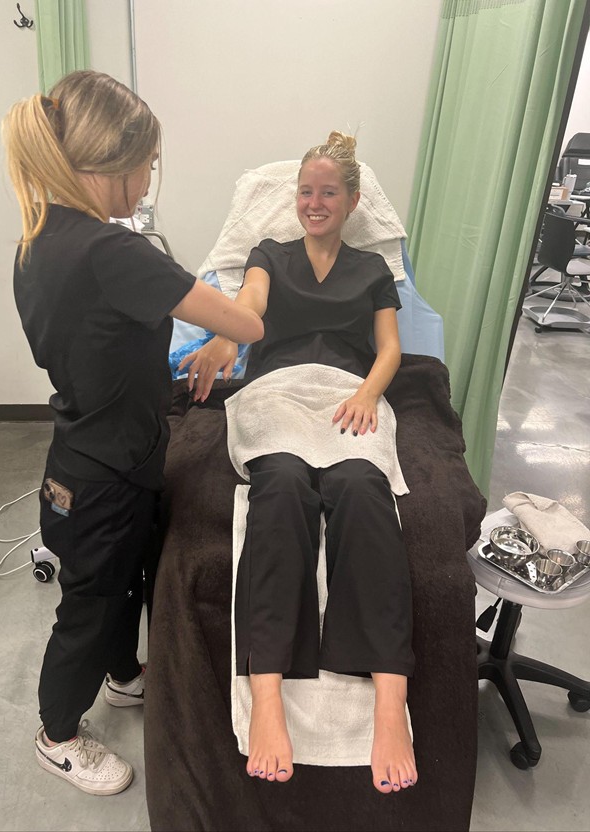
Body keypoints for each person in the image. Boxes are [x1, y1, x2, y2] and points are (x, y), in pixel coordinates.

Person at [2, 70, 263, 796]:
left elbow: (103, 336)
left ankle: (122, 678)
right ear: (116, 164)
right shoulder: (115, 253)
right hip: (106, 473)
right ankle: (57, 736)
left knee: (121, 584)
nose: (150, 176)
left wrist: (203, 347)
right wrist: (260, 269)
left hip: (89, 450)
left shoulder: (38, 238)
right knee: (89, 606)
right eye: (148, 162)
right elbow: (247, 323)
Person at [180, 132, 418, 795]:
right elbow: (250, 306)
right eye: (306, 192)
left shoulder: (372, 268)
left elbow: (390, 349)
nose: (314, 202)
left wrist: (369, 393)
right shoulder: (269, 255)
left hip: (348, 394)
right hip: (278, 391)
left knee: (364, 491)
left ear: (352, 200)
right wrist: (226, 334)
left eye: (328, 192)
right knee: (279, 486)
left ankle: (390, 706)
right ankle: (267, 699)